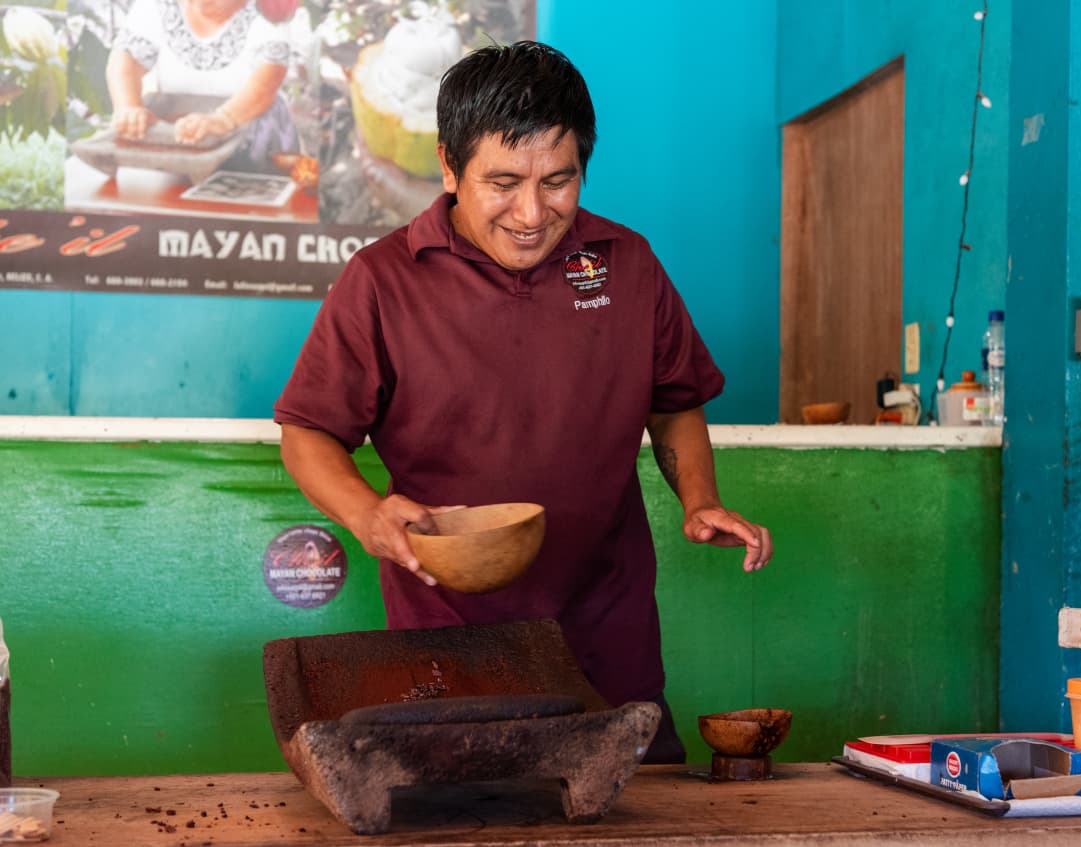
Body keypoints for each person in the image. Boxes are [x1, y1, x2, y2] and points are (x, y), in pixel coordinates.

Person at [274, 41, 772, 763]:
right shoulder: (382, 280)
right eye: (503, 182)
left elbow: (674, 401)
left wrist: (699, 497)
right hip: (446, 647)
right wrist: (367, 514)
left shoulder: (627, 264)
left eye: (559, 181)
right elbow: (308, 431)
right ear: (448, 165)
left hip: (608, 639)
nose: (533, 213)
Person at [106, 0, 296, 165]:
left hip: (254, 137)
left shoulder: (272, 7)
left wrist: (223, 120)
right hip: (177, 140)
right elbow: (126, 61)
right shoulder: (157, 4)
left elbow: (268, 78)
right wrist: (128, 106)